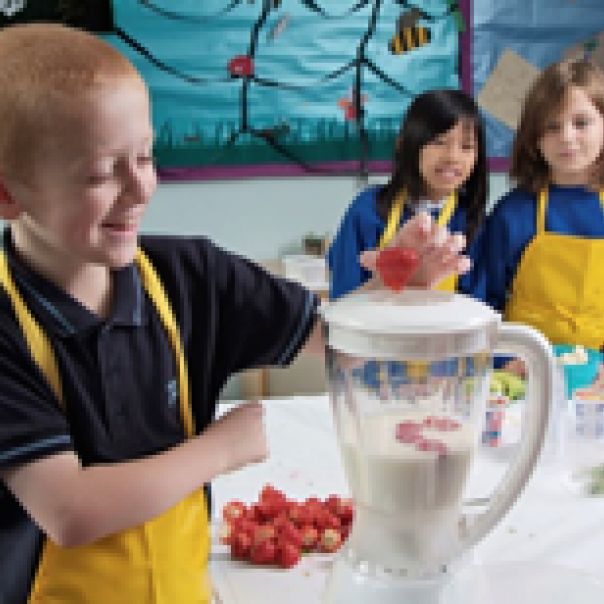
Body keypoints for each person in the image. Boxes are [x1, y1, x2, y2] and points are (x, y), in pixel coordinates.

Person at [0, 23, 470, 604]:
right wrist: (219, 451)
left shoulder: (191, 276)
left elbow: (335, 338)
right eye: (100, 173)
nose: (139, 188)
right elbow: (70, 511)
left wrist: (396, 289)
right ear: (9, 193)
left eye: (146, 156)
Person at [466, 59, 604, 384]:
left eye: (581, 123)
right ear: (534, 137)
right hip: (524, 379)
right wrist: (504, 360)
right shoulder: (512, 213)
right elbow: (483, 305)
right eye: (552, 126)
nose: (567, 137)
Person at [328, 88, 488, 301]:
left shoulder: (472, 220)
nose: (453, 157)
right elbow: (342, 300)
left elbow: (477, 305)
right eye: (439, 142)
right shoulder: (366, 210)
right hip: (374, 322)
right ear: (403, 145)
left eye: (467, 147)